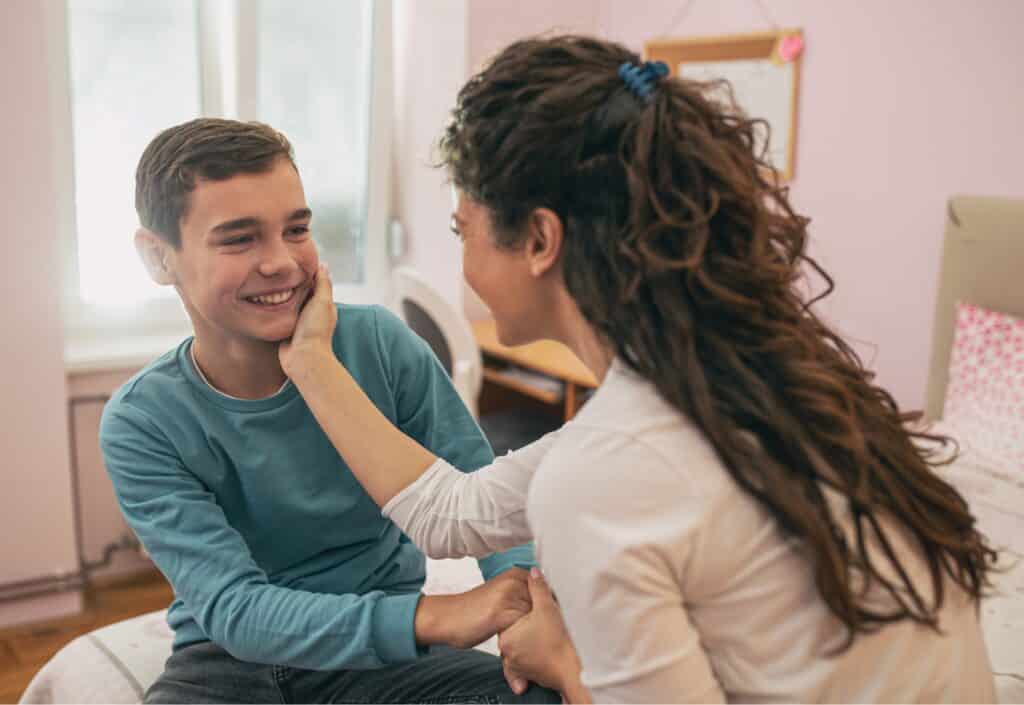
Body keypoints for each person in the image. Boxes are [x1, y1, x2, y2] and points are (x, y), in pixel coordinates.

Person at [278, 36, 998, 703]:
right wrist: (312, 362)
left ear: (539, 239)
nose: (463, 259)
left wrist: (560, 657)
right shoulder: (770, 382)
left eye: (462, 231)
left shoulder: (607, 473)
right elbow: (452, 515)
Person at [99, 118, 561, 704]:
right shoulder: (142, 421)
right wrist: (440, 616)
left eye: (296, 229)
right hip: (226, 668)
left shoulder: (381, 347)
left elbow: (488, 505)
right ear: (158, 258)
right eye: (239, 239)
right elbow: (236, 609)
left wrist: (526, 609)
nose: (281, 262)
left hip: (388, 665)